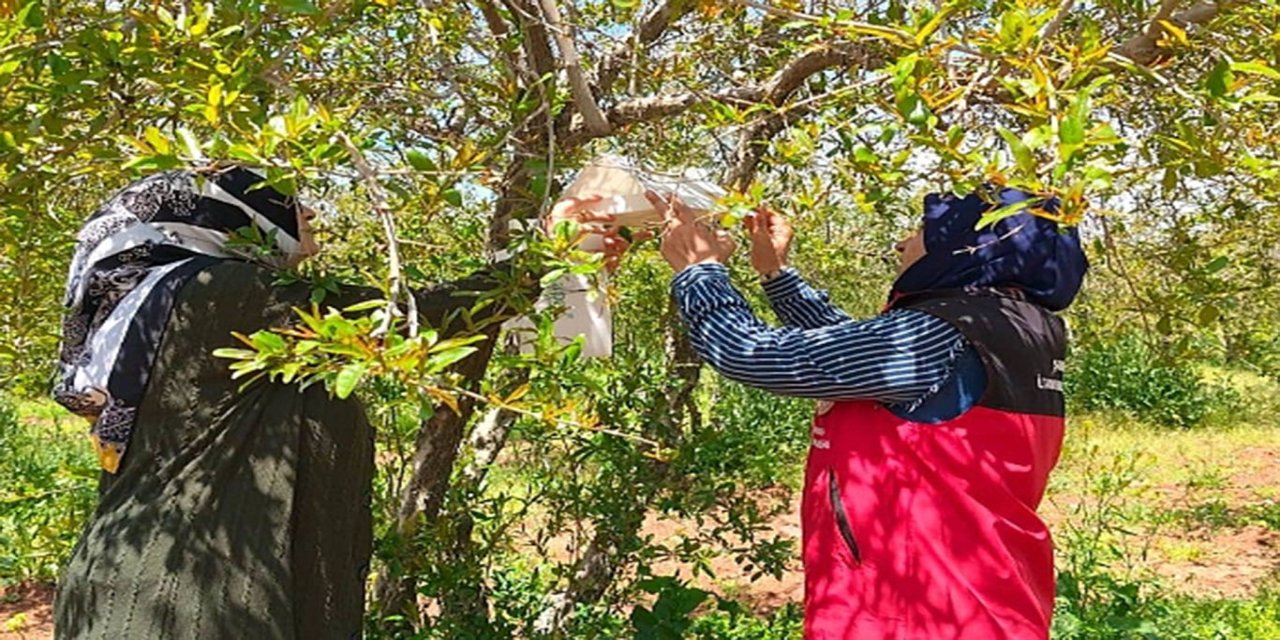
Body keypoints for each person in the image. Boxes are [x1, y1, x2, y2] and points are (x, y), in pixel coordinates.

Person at [51, 167, 624, 639]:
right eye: (287, 199)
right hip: (186, 605)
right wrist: (550, 250)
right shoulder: (218, 293)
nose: (309, 213)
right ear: (230, 212)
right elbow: (414, 322)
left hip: (151, 592)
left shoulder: (175, 300)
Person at [653, 186, 1087, 639]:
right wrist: (776, 274)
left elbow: (752, 355)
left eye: (922, 231)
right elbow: (860, 356)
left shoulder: (938, 333)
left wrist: (699, 271)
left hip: (915, 616)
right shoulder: (1014, 327)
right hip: (987, 605)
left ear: (968, 245)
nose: (902, 243)